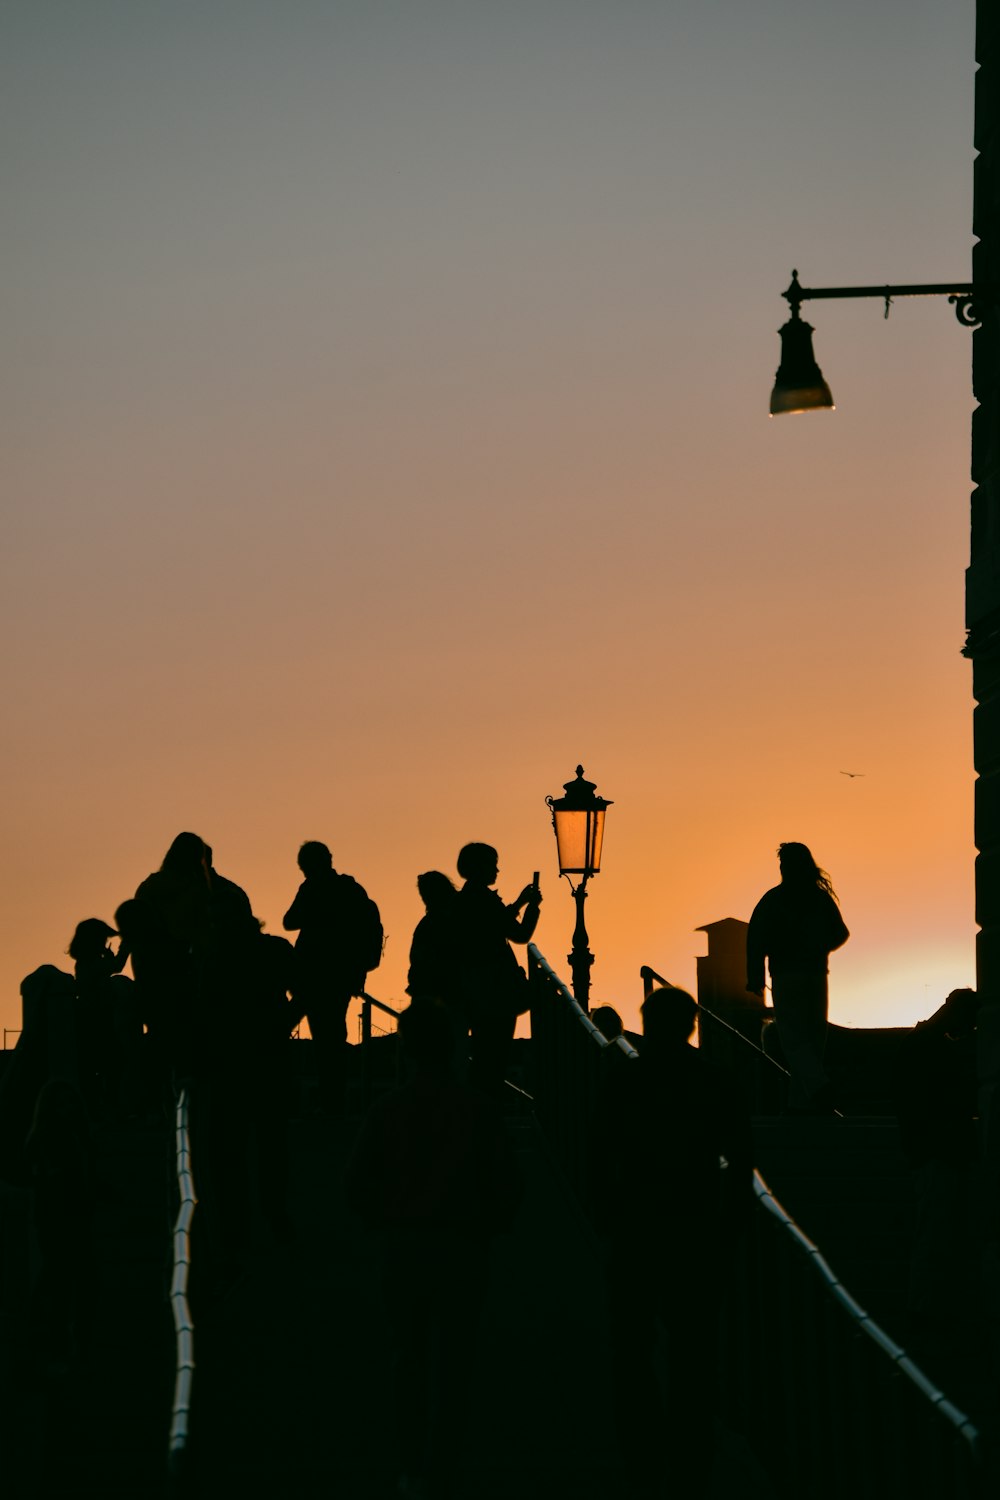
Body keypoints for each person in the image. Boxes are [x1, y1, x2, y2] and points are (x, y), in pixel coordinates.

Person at [346, 1000, 522, 1497]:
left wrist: (379, 1221)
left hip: (403, 1243)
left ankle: (411, 1463)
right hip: (463, 1244)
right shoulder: (479, 1111)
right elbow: (507, 1183)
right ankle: (445, 1461)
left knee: (409, 1355)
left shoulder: (387, 1110)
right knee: (456, 1359)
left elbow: (356, 1184)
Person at [590, 986, 753, 1496]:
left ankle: (642, 1454)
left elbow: (599, 1155)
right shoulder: (715, 1080)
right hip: (695, 1232)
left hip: (637, 1230)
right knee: (694, 1353)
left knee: (631, 1352)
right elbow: (741, 1164)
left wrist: (609, 1218)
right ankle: (690, 1459)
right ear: (691, 1025)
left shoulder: (624, 1078)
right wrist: (727, 1230)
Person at [746, 842, 849, 1114]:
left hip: (785, 976)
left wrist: (755, 977)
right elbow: (840, 933)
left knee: (793, 1039)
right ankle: (800, 1105)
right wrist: (817, 949)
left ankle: (818, 1088)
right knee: (814, 1041)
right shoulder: (819, 898)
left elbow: (755, 939)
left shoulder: (773, 900)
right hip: (817, 976)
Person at [283, 841, 382, 1118]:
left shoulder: (313, 888)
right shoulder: (352, 891)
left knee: (289, 1034)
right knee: (332, 1039)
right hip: (340, 978)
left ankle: (322, 1103)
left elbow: (289, 921)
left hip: (313, 977)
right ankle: (332, 1103)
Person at [452, 842, 541, 1099]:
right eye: (493, 864)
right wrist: (532, 906)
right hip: (496, 992)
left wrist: (520, 903)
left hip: (474, 991)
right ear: (480, 867)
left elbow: (496, 923)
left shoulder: (464, 900)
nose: (497, 870)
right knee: (493, 1059)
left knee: (482, 1055)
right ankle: (486, 1118)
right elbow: (519, 934)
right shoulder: (484, 900)